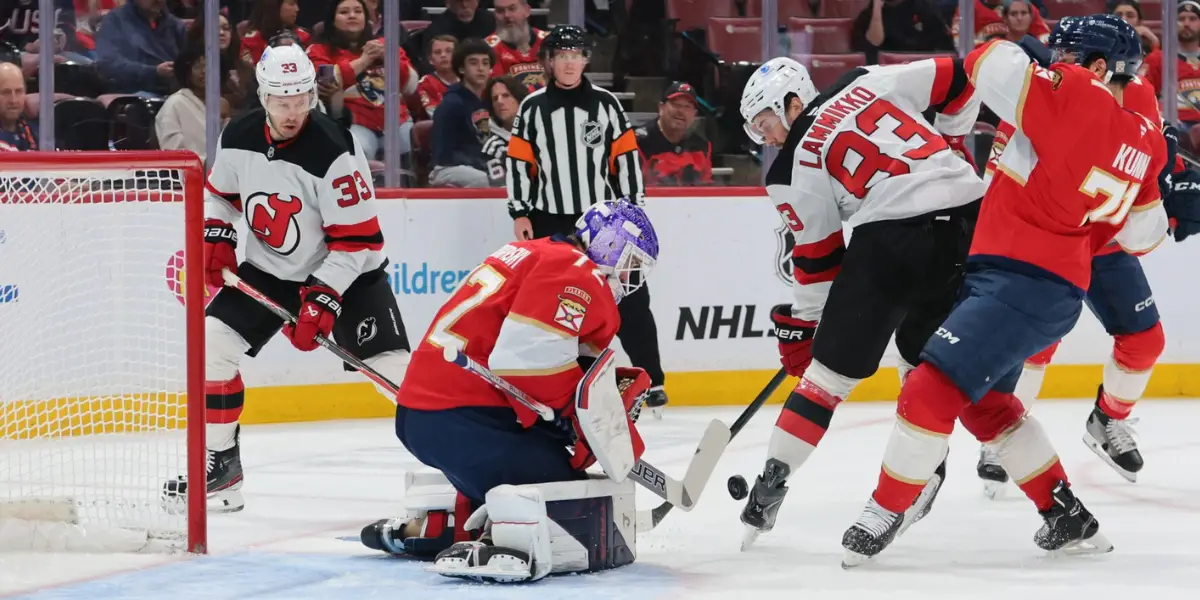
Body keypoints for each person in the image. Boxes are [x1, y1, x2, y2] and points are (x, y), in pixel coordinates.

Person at [841, 16, 1171, 565]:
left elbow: (985, 57)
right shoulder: (1144, 139)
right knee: (987, 403)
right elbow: (1144, 234)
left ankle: (885, 507)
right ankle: (1062, 509)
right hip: (1048, 281)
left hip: (1021, 279)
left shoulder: (1076, 99)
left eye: (1064, 56)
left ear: (1095, 67)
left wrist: (1034, 67)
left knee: (928, 390)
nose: (1053, 64)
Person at [734, 54, 984, 549]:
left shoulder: (790, 167)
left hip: (894, 237)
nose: (768, 140)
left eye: (766, 124)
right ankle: (921, 478)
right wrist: (953, 142)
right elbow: (961, 76)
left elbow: (818, 258)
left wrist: (807, 330)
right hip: (970, 219)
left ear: (791, 101)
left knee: (827, 379)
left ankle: (773, 480)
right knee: (924, 366)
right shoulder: (870, 78)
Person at [162, 44, 412, 513]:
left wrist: (322, 298)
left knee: (395, 375)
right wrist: (215, 233)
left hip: (349, 275)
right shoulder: (237, 133)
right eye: (282, 100)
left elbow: (356, 242)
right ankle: (222, 467)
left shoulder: (334, 147)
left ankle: (463, 458)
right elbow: (220, 195)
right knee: (211, 345)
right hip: (271, 271)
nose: (294, 111)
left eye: (302, 98)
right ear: (263, 95)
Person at [359, 199, 660, 584]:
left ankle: (442, 525)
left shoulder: (529, 252)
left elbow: (536, 356)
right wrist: (583, 418)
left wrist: (584, 404)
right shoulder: (578, 271)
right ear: (610, 246)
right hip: (464, 419)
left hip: (427, 416)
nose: (630, 279)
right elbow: (527, 362)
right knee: (571, 495)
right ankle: (500, 534)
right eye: (631, 265)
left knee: (546, 461)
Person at [975, 14, 1175, 495]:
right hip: (1047, 240)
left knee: (1145, 340)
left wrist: (1163, 185)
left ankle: (1107, 420)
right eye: (1056, 53)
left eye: (1066, 53)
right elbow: (998, 177)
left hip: (1100, 242)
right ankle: (1001, 435)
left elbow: (1142, 205)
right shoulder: (1046, 92)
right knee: (1033, 344)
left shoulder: (1139, 97)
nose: (1057, 61)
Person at [507, 25, 669, 417]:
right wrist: (520, 211)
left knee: (630, 296)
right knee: (558, 301)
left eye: (575, 54)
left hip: (605, 221)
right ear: (549, 61)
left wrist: (634, 209)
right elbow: (519, 163)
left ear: (585, 60)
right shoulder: (531, 108)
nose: (568, 62)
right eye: (560, 55)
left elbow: (626, 159)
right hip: (551, 220)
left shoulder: (607, 104)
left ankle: (653, 378)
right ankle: (563, 377)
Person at [637, 81, 712, 187]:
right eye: (676, 104)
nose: (681, 111)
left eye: (688, 107)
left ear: (694, 114)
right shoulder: (637, 143)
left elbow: (706, 191)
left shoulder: (702, 146)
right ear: (661, 108)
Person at [481, 75, 530, 185]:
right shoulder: (493, 147)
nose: (500, 102)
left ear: (519, 99)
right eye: (495, 99)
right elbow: (501, 188)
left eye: (506, 96)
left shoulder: (544, 133)